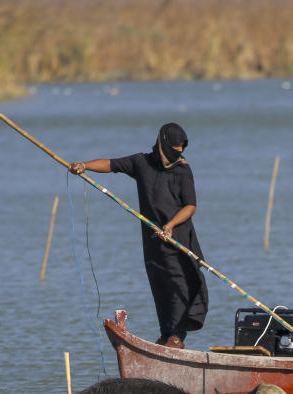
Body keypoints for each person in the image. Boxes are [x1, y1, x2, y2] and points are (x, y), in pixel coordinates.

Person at [68, 123, 208, 349]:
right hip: (152, 241)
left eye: (182, 149)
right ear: (163, 144)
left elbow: (190, 206)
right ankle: (165, 335)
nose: (179, 153)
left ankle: (177, 337)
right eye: (175, 148)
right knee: (160, 286)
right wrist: (84, 166)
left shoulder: (183, 170)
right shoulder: (142, 163)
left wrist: (170, 224)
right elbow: (111, 164)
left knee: (180, 287)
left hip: (178, 239)